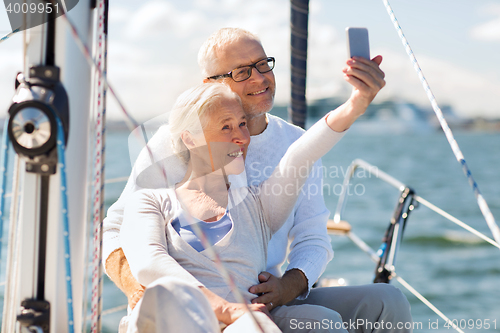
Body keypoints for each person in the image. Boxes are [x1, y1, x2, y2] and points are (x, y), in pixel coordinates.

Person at [104, 28, 413, 332]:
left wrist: (286, 287)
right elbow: (120, 232)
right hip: (192, 305)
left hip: (266, 297)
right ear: (211, 85)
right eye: (241, 72)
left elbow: (312, 227)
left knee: (386, 301)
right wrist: (140, 289)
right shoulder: (168, 146)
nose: (259, 78)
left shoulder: (278, 163)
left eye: (263, 64)